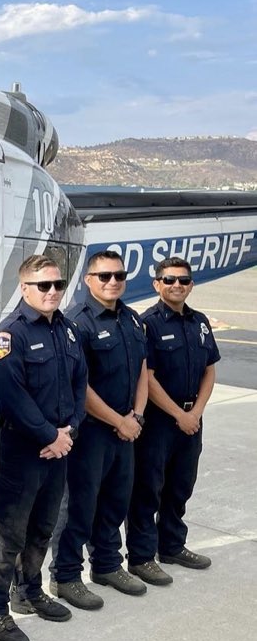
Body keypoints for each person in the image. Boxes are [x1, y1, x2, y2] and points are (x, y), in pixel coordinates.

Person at [0, 254, 87, 641]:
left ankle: (28, 591)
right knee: (7, 533)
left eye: (57, 285)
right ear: (24, 288)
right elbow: (10, 396)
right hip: (19, 453)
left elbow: (80, 384)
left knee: (42, 527)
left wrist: (70, 431)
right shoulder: (10, 335)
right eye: (43, 285)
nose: (52, 292)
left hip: (58, 450)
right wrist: (49, 435)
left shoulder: (68, 331)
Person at [50, 250, 148, 610]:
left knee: (115, 501)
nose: (113, 282)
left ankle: (107, 564)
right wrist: (119, 420)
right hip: (92, 432)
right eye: (104, 276)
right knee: (79, 505)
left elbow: (142, 370)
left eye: (118, 275)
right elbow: (80, 385)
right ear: (89, 280)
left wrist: (136, 416)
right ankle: (66, 575)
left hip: (126, 430)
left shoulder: (133, 320)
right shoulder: (77, 321)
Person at [126, 257, 219, 582]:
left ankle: (172, 545)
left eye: (183, 280)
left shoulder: (201, 322)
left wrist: (195, 413)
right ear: (157, 284)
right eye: (169, 280)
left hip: (192, 419)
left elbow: (210, 368)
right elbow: (146, 377)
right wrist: (180, 414)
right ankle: (140, 556)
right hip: (160, 422)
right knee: (148, 488)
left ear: (191, 284)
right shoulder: (147, 323)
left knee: (181, 485)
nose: (176, 285)